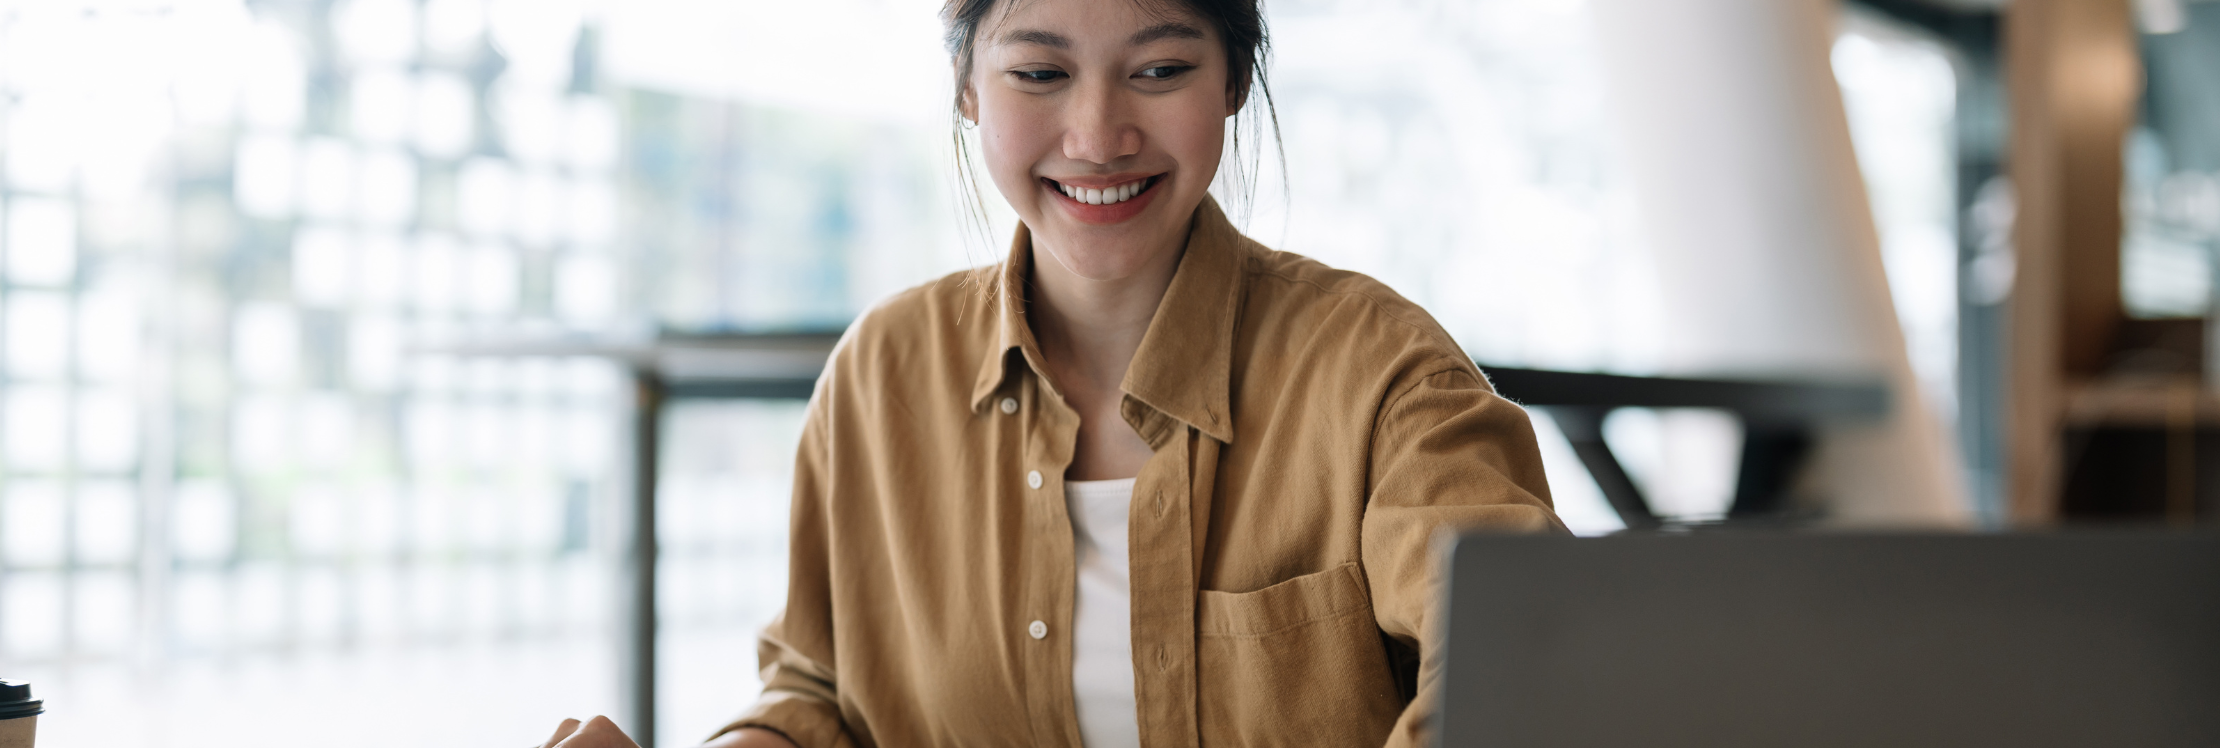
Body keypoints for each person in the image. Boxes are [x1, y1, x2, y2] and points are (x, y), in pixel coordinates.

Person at [539, 0, 1563, 746]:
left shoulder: (1382, 372)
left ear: (1236, 80)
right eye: (1038, 73)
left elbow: (1533, 668)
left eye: (1159, 70)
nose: (1097, 134)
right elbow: (818, 702)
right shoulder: (878, 380)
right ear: (966, 86)